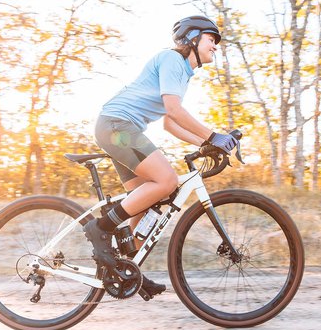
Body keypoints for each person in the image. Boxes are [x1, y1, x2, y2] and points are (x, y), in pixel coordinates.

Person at [83, 15, 238, 300]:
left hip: (119, 127)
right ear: (192, 38)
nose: (215, 46)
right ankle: (100, 227)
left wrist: (206, 145)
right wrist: (213, 136)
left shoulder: (183, 72)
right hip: (118, 125)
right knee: (166, 180)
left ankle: (127, 269)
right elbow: (175, 111)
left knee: (146, 198)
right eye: (211, 39)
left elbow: (170, 123)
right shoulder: (172, 60)